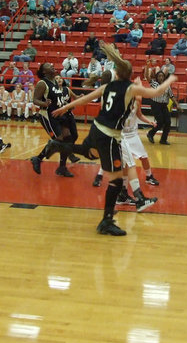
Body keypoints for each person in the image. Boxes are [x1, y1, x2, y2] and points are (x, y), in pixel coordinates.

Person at [45, 43, 177, 236]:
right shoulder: (131, 89)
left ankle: (58, 145)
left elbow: (86, 99)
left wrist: (65, 107)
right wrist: (170, 79)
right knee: (115, 181)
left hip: (96, 128)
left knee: (90, 153)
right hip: (109, 135)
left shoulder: (109, 86)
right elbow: (156, 93)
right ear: (130, 75)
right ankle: (106, 221)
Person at [93, 74, 160, 205]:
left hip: (119, 134)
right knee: (129, 165)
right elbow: (142, 94)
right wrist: (139, 84)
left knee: (126, 164)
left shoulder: (110, 94)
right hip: (119, 135)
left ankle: (122, 194)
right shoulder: (122, 96)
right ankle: (138, 198)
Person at [29, 62, 79, 177]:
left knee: (68, 138)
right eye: (48, 65)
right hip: (47, 115)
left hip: (59, 114)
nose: (52, 65)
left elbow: (59, 99)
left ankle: (62, 168)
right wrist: (44, 103)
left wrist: (66, 106)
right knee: (59, 139)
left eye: (52, 65)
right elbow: (35, 100)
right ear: (44, 71)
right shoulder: (42, 83)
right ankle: (38, 158)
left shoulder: (55, 82)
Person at [147, 70, 179, 145]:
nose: (161, 77)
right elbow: (147, 77)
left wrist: (177, 104)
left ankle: (163, 140)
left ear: (164, 77)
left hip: (164, 105)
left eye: (162, 76)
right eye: (159, 76)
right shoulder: (154, 84)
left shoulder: (167, 86)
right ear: (157, 77)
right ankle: (150, 134)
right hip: (156, 105)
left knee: (168, 122)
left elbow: (171, 96)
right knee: (160, 122)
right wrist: (147, 67)